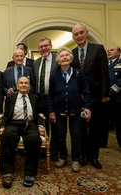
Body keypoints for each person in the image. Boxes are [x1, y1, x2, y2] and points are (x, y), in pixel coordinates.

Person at [70, 23, 110, 169]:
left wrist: (104, 94)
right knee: (80, 129)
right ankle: (83, 156)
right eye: (76, 34)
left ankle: (94, 157)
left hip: (95, 97)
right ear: (73, 37)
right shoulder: (72, 53)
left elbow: (104, 73)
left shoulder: (98, 49)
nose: (79, 36)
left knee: (95, 128)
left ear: (87, 33)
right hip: (78, 98)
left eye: (81, 33)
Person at [48, 47, 92, 173]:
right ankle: (63, 157)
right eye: (62, 56)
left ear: (71, 58)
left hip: (76, 111)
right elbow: (50, 96)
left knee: (76, 136)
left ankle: (75, 159)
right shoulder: (55, 76)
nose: (64, 57)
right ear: (58, 61)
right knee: (60, 135)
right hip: (59, 111)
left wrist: (88, 107)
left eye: (67, 55)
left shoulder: (79, 74)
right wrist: (51, 111)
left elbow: (86, 92)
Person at [0, 76, 45, 188]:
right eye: (21, 83)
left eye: (26, 83)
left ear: (29, 86)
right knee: (7, 136)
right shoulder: (10, 98)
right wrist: (3, 126)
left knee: (35, 139)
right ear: (17, 86)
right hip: (14, 123)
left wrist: (40, 125)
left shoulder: (34, 97)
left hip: (30, 124)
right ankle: (7, 172)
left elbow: (37, 113)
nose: (23, 85)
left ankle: (30, 173)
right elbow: (6, 115)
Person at [33, 37, 60, 161]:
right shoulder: (36, 62)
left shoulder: (58, 60)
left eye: (46, 46)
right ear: (38, 49)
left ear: (51, 46)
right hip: (40, 99)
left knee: (55, 126)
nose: (43, 48)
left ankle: (54, 150)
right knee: (42, 126)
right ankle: (44, 149)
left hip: (54, 99)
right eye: (41, 47)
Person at [106, 46, 121, 149]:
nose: (109, 52)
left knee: (119, 123)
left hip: (117, 99)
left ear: (118, 53)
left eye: (112, 50)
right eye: (108, 50)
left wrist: (110, 92)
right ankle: (102, 142)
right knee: (103, 122)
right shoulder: (104, 64)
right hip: (104, 99)